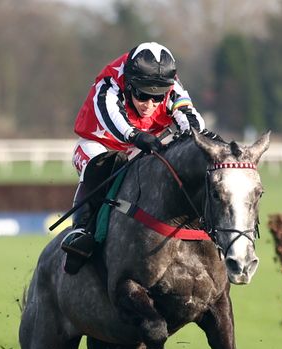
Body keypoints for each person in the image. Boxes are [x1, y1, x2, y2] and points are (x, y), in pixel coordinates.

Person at [61, 42, 206, 270]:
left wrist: (198, 139)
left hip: (145, 141)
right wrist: (135, 135)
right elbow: (113, 118)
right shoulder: (109, 83)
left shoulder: (172, 85)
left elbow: (191, 118)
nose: (150, 105)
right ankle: (81, 230)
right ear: (129, 85)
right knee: (100, 163)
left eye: (158, 98)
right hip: (102, 143)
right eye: (142, 95)